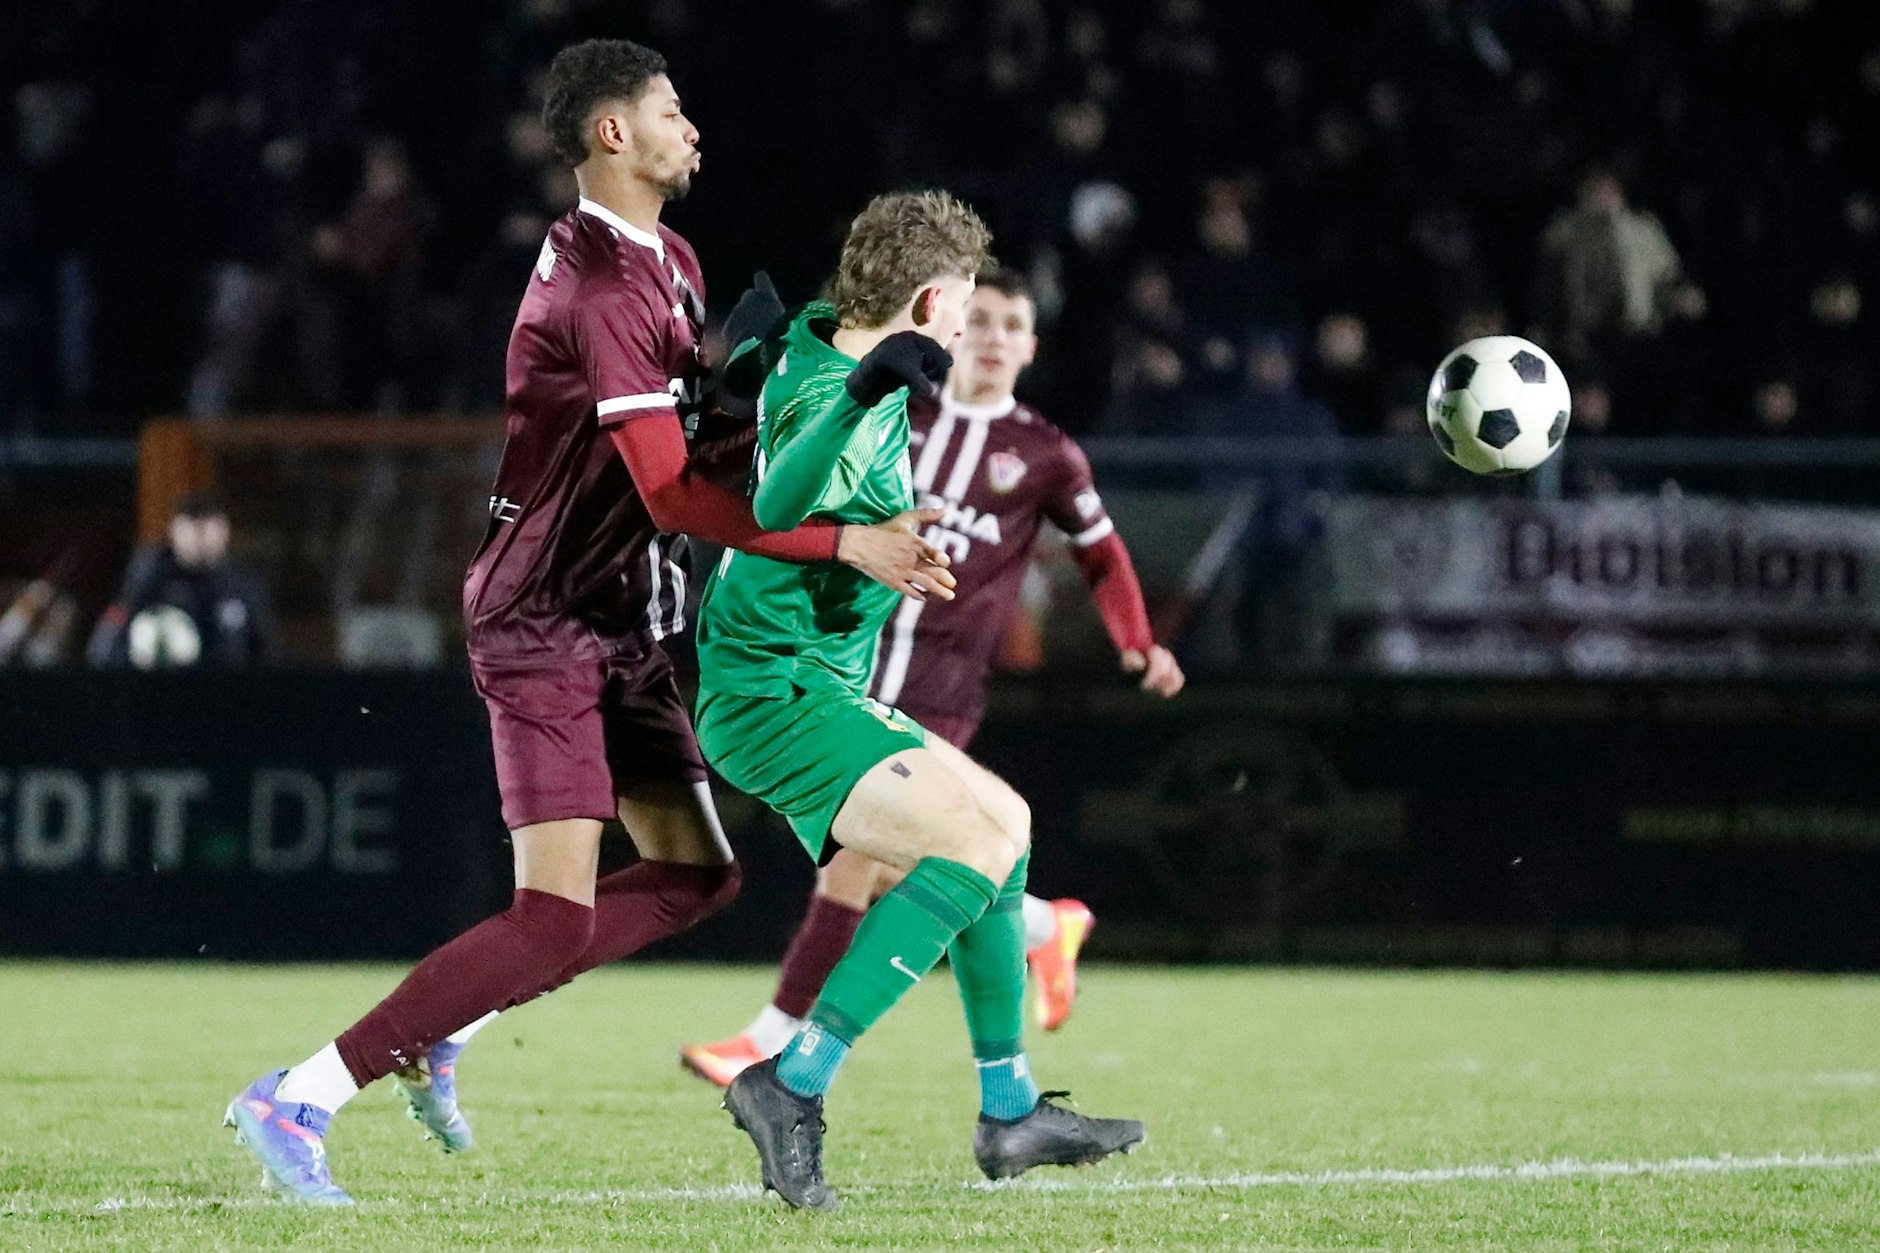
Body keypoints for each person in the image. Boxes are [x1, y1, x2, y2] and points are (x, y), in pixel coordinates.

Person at [222, 39, 953, 1206]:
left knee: (694, 873)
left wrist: (768, 391)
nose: (692, 128)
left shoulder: (668, 257)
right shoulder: (603, 288)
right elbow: (671, 493)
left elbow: (700, 451)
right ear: (612, 133)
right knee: (552, 914)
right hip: (545, 618)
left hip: (624, 616)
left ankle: (451, 1013)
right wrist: (838, 539)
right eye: (670, 111)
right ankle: (302, 1090)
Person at [694, 192, 1144, 1213]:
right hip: (775, 692)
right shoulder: (847, 386)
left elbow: (796, 387)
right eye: (961, 307)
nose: (963, 327)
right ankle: (789, 1081)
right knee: (967, 849)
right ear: (933, 298)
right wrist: (857, 398)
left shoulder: (821, 347)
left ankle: (1010, 1107)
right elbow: (775, 502)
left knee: (1006, 826)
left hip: (812, 678)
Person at [85, 491, 274, 668]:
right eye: (193, 527)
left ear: (225, 531)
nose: (202, 537)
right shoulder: (148, 577)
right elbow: (104, 649)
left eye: (210, 527)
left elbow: (265, 652)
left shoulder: (242, 586)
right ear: (175, 530)